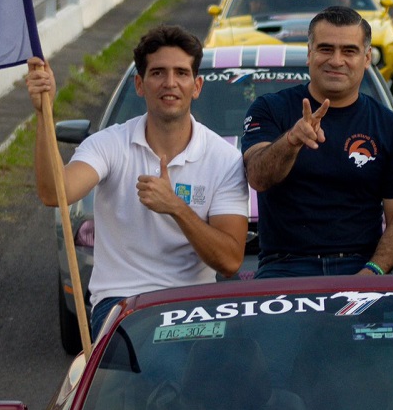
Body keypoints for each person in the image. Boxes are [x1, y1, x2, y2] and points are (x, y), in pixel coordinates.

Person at [26, 26, 248, 337]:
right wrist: (43, 114)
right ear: (140, 85)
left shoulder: (225, 159)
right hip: (121, 304)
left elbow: (229, 261)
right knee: (162, 363)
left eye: (181, 73)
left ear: (196, 86)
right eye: (158, 73)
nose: (170, 83)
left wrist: (176, 207)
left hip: (192, 304)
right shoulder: (109, 144)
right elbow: (55, 193)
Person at [242, 6, 393, 278]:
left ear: (367, 57)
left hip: (359, 267)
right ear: (309, 54)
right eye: (325, 49)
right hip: (284, 266)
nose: (336, 60)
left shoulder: (390, 126)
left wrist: (372, 272)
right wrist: (292, 140)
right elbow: (258, 177)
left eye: (349, 51)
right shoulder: (270, 109)